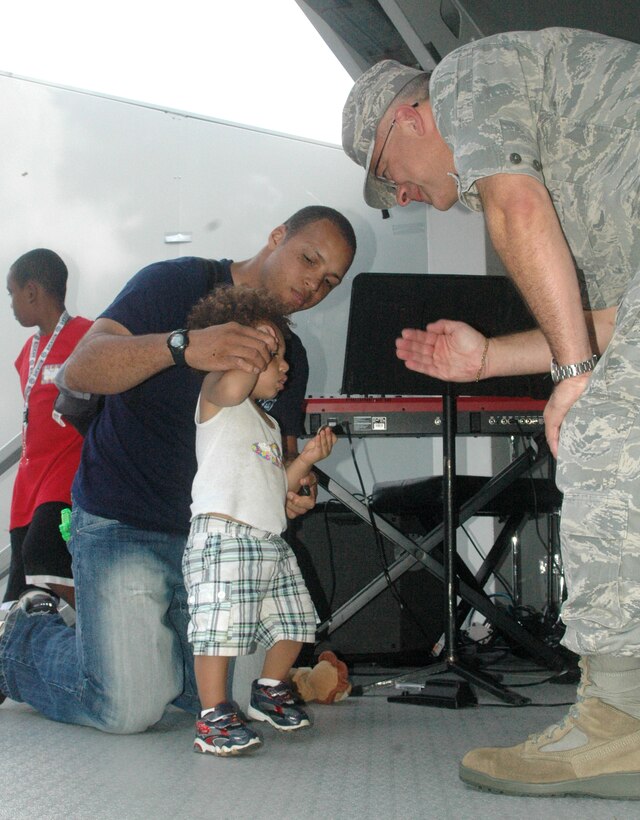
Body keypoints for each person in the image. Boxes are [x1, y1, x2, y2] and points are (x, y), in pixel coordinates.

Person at [342, 29, 640, 800]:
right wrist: (490, 359)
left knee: (603, 438)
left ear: (411, 116)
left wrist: (575, 380)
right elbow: (614, 319)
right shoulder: (588, 160)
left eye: (387, 175)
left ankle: (620, 724)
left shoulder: (466, 76)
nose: (400, 196)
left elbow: (513, 205)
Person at [0, 205, 356, 734]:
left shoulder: (290, 357)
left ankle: (150, 654)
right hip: (125, 523)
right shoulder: (177, 282)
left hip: (215, 551)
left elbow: (272, 457)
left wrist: (290, 487)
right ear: (276, 235)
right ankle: (17, 635)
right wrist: (183, 346)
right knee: (128, 709)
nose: (313, 284)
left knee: (238, 695)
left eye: (329, 281)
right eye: (308, 259)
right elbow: (82, 368)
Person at [184, 285, 336, 756]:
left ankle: (269, 688)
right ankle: (212, 715)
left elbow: (276, 484)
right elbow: (233, 380)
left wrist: (305, 458)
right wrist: (251, 350)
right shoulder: (217, 397)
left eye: (282, 356)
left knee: (296, 621)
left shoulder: (269, 425)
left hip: (270, 541)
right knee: (218, 627)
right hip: (224, 536)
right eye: (273, 356)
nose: (284, 366)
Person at [4, 249, 92, 610]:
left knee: (43, 553)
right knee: (16, 598)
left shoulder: (88, 335)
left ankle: (96, 620)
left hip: (65, 472)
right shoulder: (27, 351)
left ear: (31, 291)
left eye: (10, 294)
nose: (10, 304)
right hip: (29, 480)